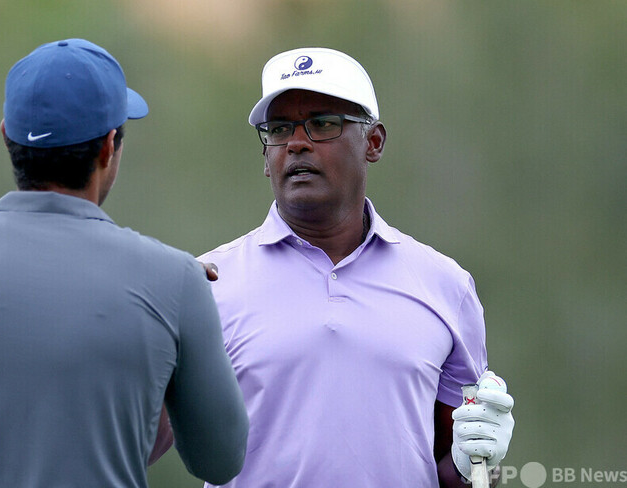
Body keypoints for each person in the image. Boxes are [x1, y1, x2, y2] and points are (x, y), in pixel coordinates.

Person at [0, 38, 248, 488]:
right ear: (108, 147)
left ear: (7, 137)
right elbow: (220, 461)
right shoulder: (176, 282)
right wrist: (180, 327)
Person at [194, 47, 515, 487]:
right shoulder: (208, 283)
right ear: (266, 157)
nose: (296, 142)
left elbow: (463, 471)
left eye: (323, 123)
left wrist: (476, 464)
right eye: (279, 129)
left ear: (374, 142)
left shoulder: (445, 286)